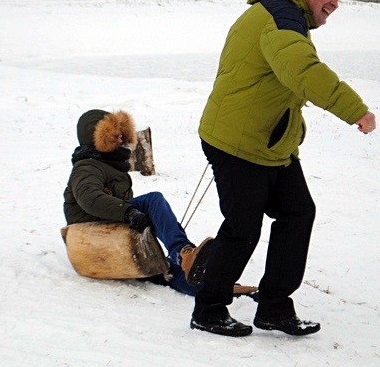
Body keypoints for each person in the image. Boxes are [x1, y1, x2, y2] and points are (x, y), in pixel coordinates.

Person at [191, 0, 377, 337]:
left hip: (268, 141)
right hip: (237, 141)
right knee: (243, 227)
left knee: (297, 213)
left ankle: (274, 307)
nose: (334, 3)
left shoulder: (284, 14)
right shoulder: (280, 17)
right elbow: (304, 72)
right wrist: (354, 109)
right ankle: (208, 309)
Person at [64, 108, 256, 296]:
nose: (121, 137)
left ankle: (213, 286)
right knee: (153, 201)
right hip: (92, 232)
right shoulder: (87, 167)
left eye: (121, 131)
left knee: (165, 268)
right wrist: (129, 212)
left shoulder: (108, 165)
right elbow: (89, 198)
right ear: (96, 138)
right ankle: (183, 252)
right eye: (114, 133)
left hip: (109, 229)